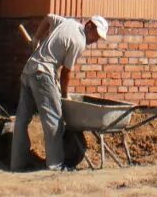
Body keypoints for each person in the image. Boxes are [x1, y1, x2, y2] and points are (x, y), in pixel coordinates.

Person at [10, 13, 109, 171]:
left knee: (22, 120)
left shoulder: (69, 23)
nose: (96, 40)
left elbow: (49, 17)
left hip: (29, 70)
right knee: (54, 122)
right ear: (89, 26)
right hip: (43, 74)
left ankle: (17, 164)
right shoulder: (79, 42)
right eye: (96, 35)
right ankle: (56, 166)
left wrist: (36, 38)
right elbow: (66, 73)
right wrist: (64, 95)